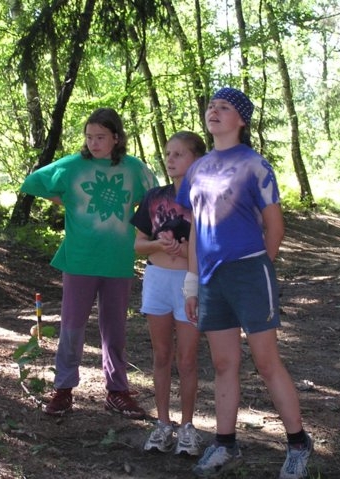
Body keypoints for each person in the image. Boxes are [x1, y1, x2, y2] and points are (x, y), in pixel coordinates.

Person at [177, 87, 313, 479]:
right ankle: (225, 443)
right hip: (210, 278)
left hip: (249, 272)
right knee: (223, 363)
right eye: (211, 106)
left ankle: (298, 444)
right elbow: (196, 231)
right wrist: (192, 283)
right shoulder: (197, 169)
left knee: (266, 362)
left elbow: (275, 227)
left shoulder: (254, 165)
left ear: (241, 119)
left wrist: (257, 270)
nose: (214, 111)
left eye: (224, 107)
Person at [20, 107, 158, 419]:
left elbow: (154, 196)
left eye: (101, 137)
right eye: (89, 137)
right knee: (71, 327)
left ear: (116, 138)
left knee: (115, 329)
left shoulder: (133, 168)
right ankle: (64, 389)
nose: (94, 143)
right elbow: (34, 181)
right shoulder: (73, 166)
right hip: (80, 259)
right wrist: (68, 199)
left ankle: (117, 391)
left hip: (117, 259)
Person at [130, 131, 206, 455]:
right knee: (161, 355)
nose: (170, 159)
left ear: (197, 160)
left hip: (190, 284)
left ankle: (187, 427)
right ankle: (162, 424)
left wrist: (187, 250)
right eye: (168, 153)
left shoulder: (205, 200)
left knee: (186, 359)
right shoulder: (153, 197)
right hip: (157, 280)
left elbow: (210, 249)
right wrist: (159, 244)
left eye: (179, 154)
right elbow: (137, 245)